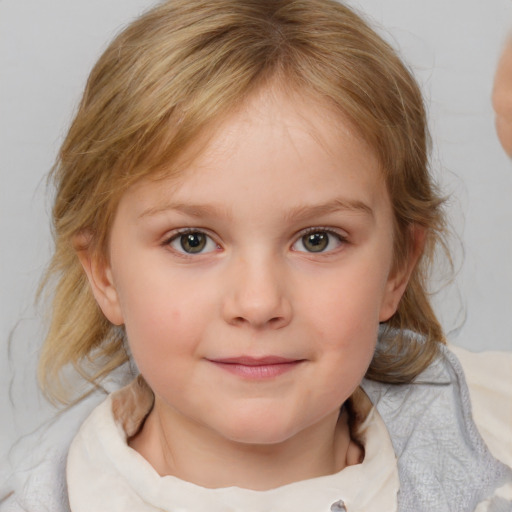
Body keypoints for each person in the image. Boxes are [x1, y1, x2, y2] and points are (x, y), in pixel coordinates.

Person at [1, 0, 511, 510]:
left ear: (399, 266)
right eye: (192, 241)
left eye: (317, 239)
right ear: (104, 274)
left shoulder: (496, 431)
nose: (259, 302)